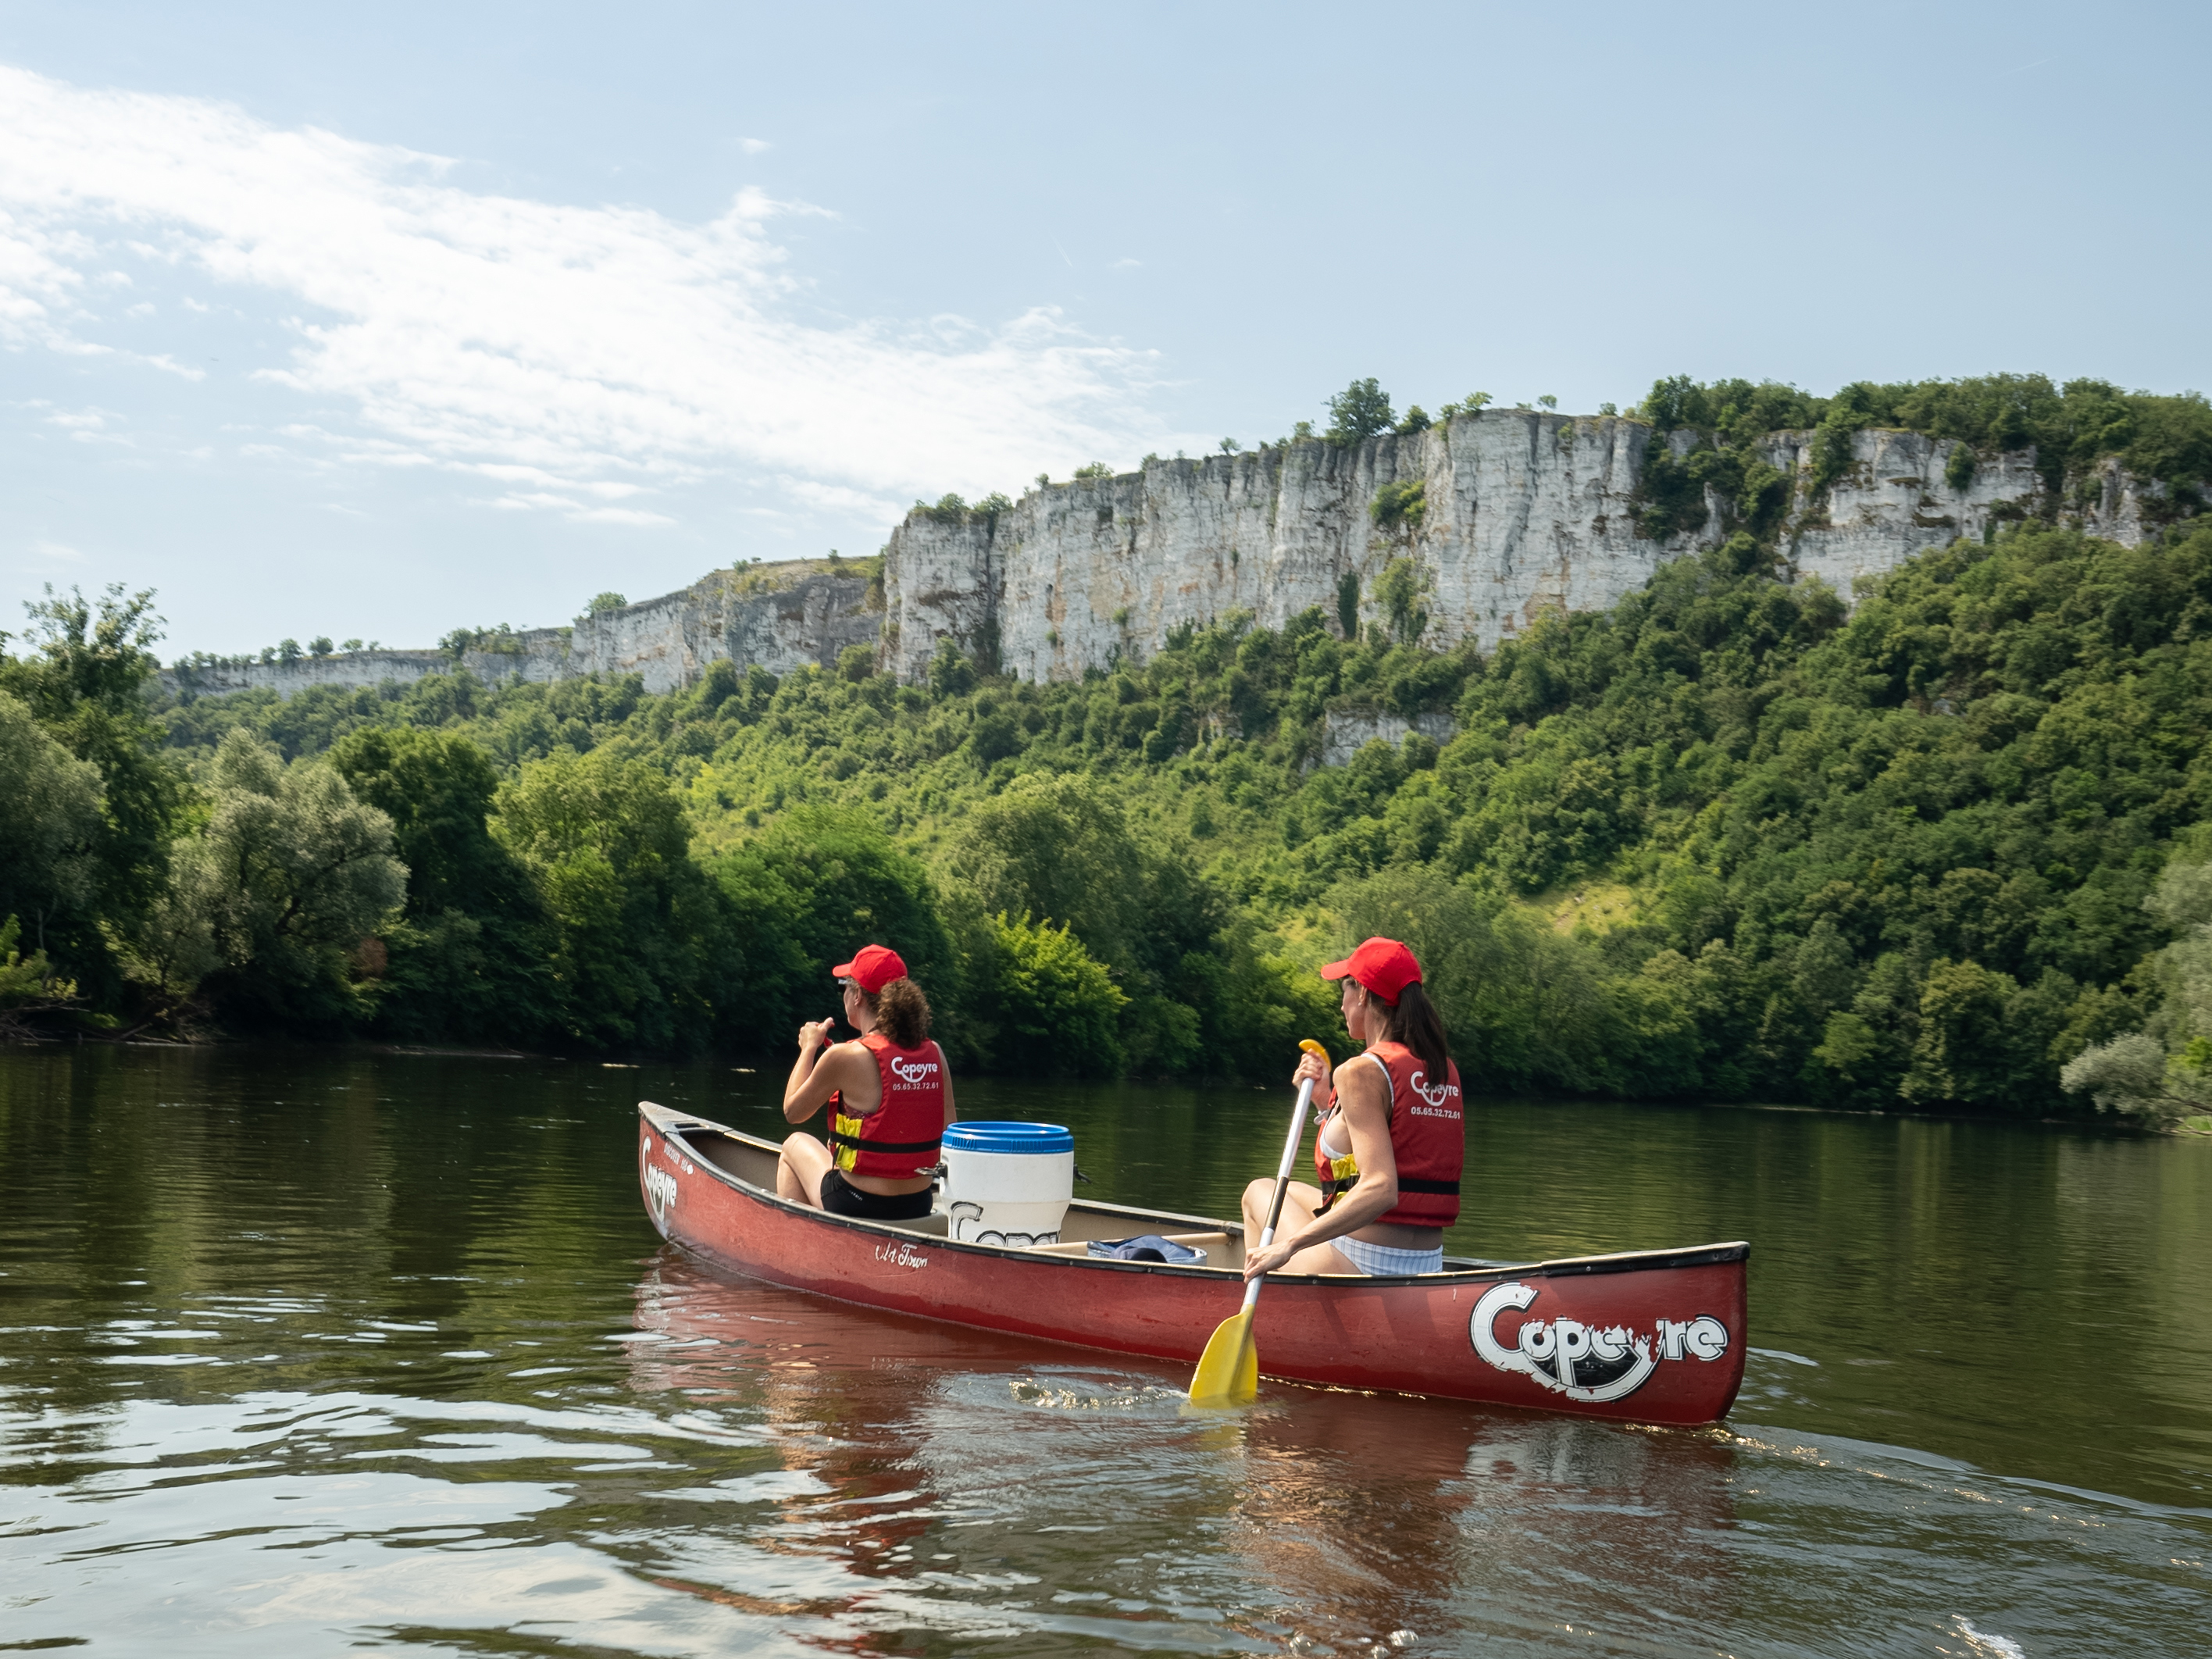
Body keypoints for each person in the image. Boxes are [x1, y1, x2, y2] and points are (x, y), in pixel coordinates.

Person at [1240, 937, 1463, 1277]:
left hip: (1363, 1263)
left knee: (1259, 1190)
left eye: (1344, 991)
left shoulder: (1361, 1071)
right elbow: (1380, 1145)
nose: (1341, 1005)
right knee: (1292, 1192)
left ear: (1362, 993)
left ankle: (1260, 1293)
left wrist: (1289, 1246)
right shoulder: (1441, 1067)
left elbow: (1382, 1189)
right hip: (1426, 1263)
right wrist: (1324, 1098)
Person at [779, 943, 956, 1222]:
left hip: (857, 1202)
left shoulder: (844, 1055)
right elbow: (948, 1131)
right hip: (918, 1203)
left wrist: (809, 1048)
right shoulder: (935, 1053)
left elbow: (793, 1111)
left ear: (858, 995)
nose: (844, 995)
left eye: (843, 987)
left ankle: (800, 1246)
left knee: (793, 1144)